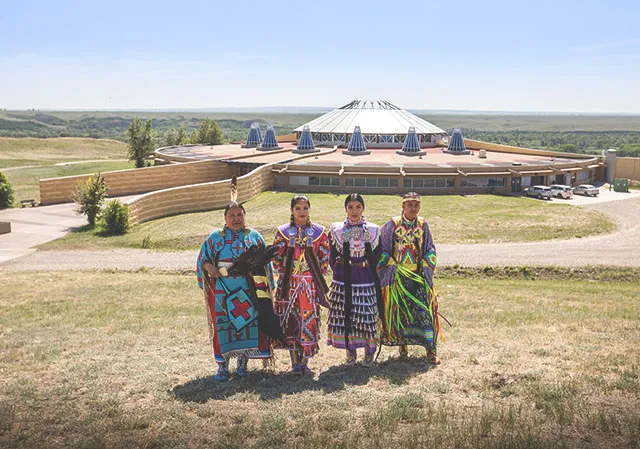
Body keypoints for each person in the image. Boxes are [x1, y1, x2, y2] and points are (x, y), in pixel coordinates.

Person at [196, 202, 274, 381]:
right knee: (223, 326)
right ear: (225, 218)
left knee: (246, 325)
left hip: (247, 290)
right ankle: (222, 367)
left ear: (245, 216)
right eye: (232, 215)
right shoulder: (215, 238)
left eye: (240, 215)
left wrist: (267, 288)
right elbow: (202, 260)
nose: (236, 219)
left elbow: (265, 265)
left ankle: (242, 365)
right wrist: (209, 268)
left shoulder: (253, 236)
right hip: (222, 291)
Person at [377, 192, 442, 365]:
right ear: (403, 207)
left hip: (417, 277)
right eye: (409, 205)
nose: (413, 208)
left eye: (416, 205)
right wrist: (390, 266)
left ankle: (430, 349)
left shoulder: (422, 224)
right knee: (400, 313)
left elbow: (429, 247)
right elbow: (382, 248)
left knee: (425, 312)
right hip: (398, 278)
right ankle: (402, 346)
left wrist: (427, 264)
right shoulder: (393, 224)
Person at [272, 195, 330, 375]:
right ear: (292, 210)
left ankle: (304, 362)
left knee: (308, 320)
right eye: (298, 208)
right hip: (288, 284)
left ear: (309, 209)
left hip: (309, 283)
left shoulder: (319, 232)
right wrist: (287, 268)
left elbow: (324, 258)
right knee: (290, 320)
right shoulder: (283, 232)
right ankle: (295, 363)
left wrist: (311, 271)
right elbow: (276, 258)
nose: (302, 212)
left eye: (305, 208)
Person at [327, 193, 381, 366]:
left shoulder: (370, 230)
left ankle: (369, 353)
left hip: (365, 277)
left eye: (358, 206)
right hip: (344, 278)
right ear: (345, 209)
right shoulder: (338, 230)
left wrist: (367, 266)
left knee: (367, 315)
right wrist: (339, 268)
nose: (354, 211)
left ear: (363, 208)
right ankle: (350, 353)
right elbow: (332, 254)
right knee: (346, 315)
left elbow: (377, 254)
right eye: (350, 207)